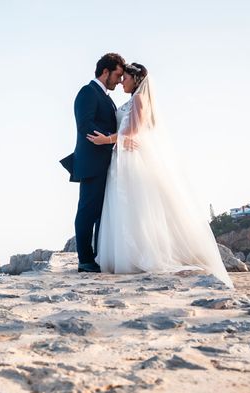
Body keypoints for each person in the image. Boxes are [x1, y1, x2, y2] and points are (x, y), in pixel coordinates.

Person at [87, 63, 233, 288]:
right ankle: (127, 252)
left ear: (135, 80)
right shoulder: (134, 99)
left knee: (134, 206)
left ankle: (139, 254)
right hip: (122, 158)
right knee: (126, 207)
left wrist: (105, 140)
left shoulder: (138, 100)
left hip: (131, 160)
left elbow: (133, 132)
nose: (122, 81)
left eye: (125, 77)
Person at [60, 53, 125, 273]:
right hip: (92, 162)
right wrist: (110, 140)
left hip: (106, 162)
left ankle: (97, 256)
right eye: (117, 74)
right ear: (105, 71)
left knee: (100, 212)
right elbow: (85, 125)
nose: (119, 79)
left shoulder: (106, 97)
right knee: (88, 210)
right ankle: (85, 260)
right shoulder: (88, 92)